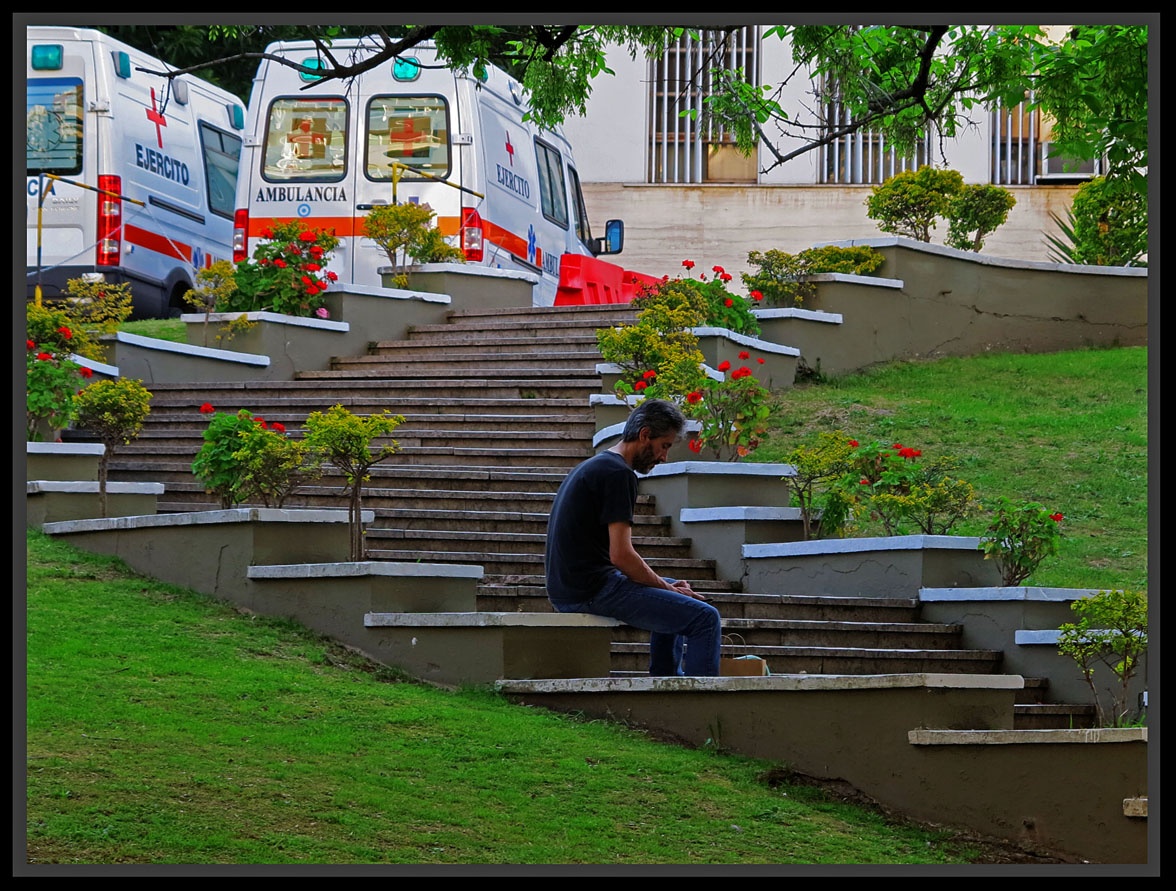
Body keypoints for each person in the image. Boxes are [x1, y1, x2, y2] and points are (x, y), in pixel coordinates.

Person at [544, 399, 722, 676]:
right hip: (589, 591)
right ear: (644, 435)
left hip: (572, 586)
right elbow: (622, 556)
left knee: (674, 591)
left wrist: (668, 587)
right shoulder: (618, 475)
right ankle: (703, 707)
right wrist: (668, 589)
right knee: (704, 617)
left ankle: (666, 681)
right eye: (664, 446)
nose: (664, 457)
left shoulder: (597, 465)